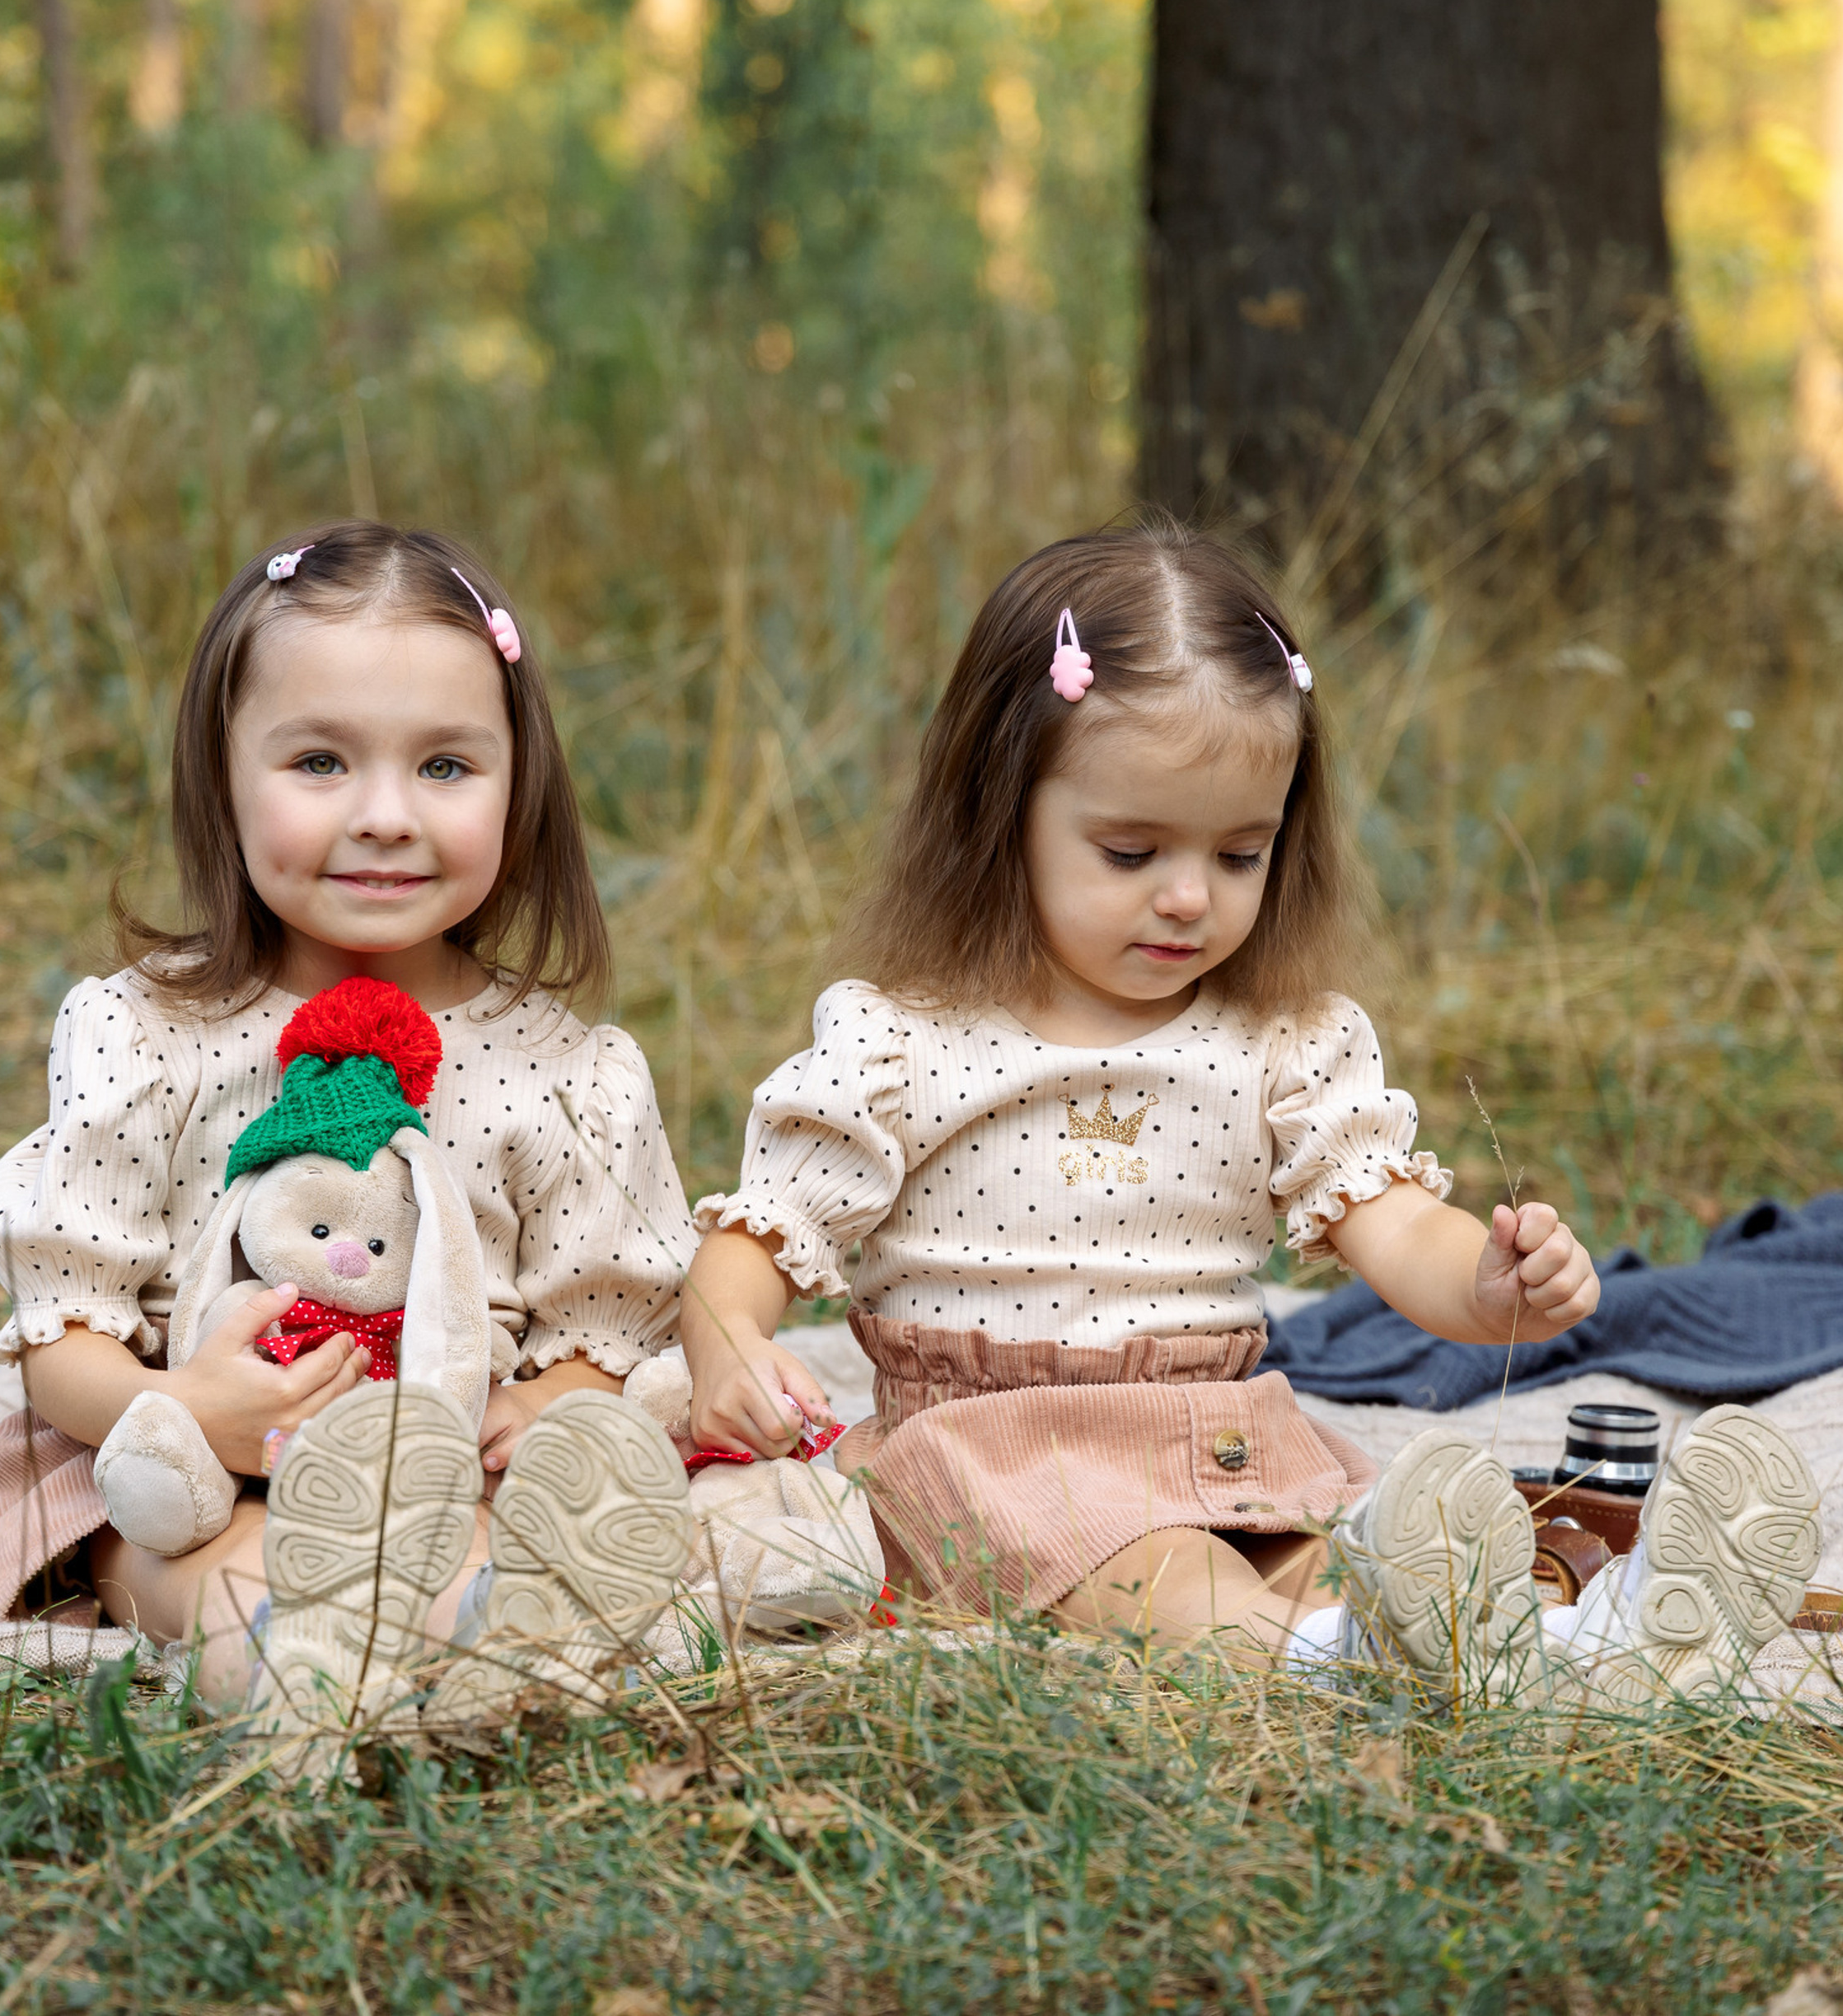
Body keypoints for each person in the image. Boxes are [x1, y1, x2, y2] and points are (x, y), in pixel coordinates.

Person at [678, 521, 1811, 1705]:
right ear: (997, 816)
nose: (1189, 897)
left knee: (1354, 1559)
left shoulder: (1281, 1042)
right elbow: (761, 1235)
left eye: (1240, 855)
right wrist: (728, 1344)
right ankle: (1447, 1665)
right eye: (1131, 852)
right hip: (1001, 1465)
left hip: (1219, 1440)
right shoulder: (903, 1045)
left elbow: (1392, 1222)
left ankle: (1590, 1633)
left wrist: (1487, 1288)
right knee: (1181, 1588)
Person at [0, 522, 698, 1759]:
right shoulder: (147, 1038)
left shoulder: (563, 1072)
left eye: (446, 767)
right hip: (185, 1465)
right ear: (223, 777)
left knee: (463, 1549)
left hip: (443, 1466)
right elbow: (62, 1329)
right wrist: (183, 1404)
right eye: (319, 762)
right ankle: (282, 1665)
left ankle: (498, 1648)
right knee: (207, 1558)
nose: (386, 817)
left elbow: (606, 1324)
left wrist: (546, 1403)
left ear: (519, 785)